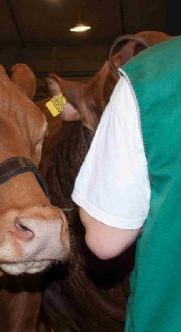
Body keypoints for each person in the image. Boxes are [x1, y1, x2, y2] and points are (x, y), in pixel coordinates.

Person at [72, 36, 180, 331]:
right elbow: (54, 106)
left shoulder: (148, 77)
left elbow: (104, 240)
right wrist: (55, 100)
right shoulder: (83, 91)